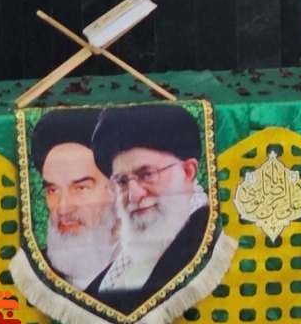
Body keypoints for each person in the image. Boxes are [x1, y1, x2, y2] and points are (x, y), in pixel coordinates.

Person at [85, 104, 210, 313]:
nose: (134, 195)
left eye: (147, 174)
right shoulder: (116, 268)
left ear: (188, 172)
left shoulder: (211, 245)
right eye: (122, 181)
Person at [31, 108, 118, 289]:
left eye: (80, 188)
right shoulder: (34, 272)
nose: (63, 208)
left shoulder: (157, 267)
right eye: (53, 190)